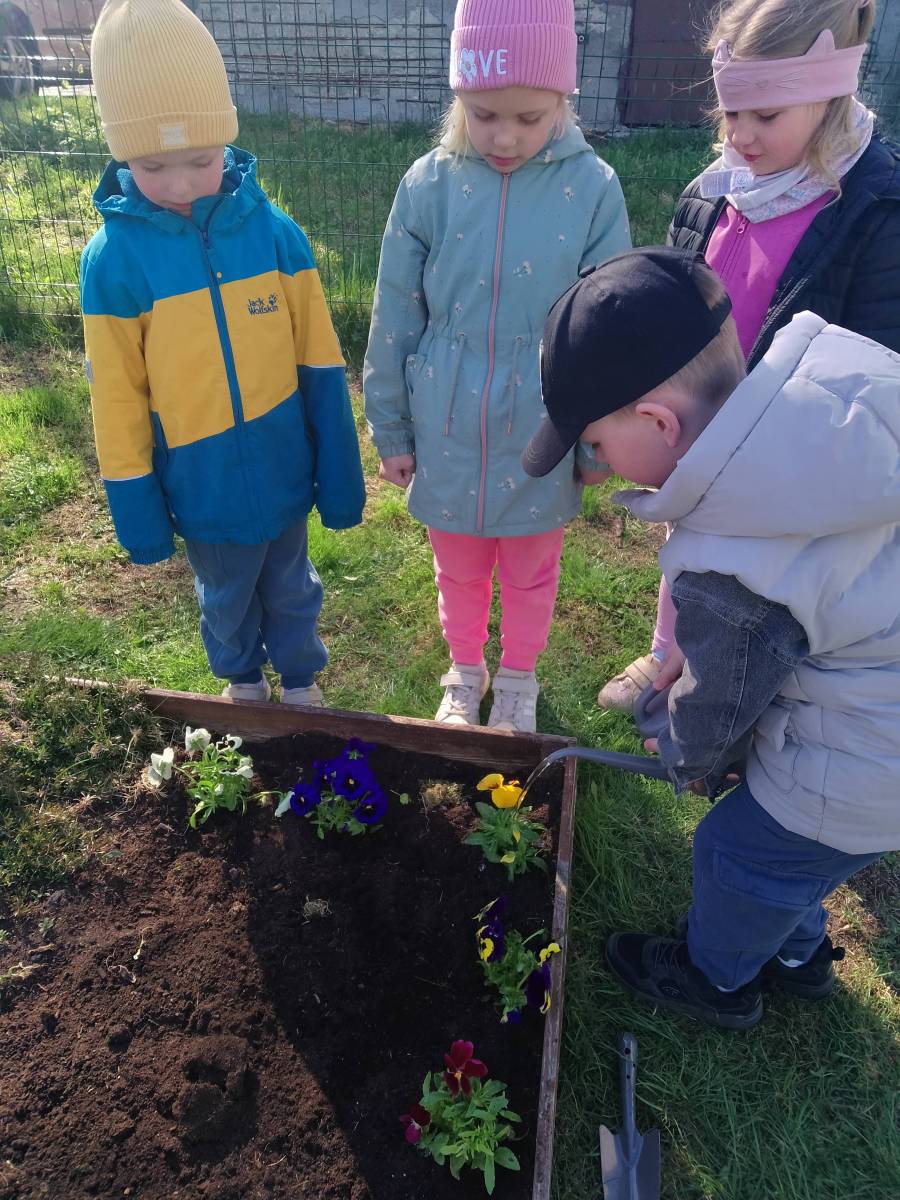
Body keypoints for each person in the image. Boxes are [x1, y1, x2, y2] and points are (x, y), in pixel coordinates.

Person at [523, 245, 900, 1029]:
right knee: (794, 860)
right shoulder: (829, 420)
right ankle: (795, 955)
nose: (595, 467)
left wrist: (687, 755)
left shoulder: (734, 559)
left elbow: (719, 709)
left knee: (741, 850)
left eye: (594, 445)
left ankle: (717, 979)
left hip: (862, 762)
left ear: (659, 422)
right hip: (879, 702)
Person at [598, 0, 900, 714]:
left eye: (766, 116)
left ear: (830, 96)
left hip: (796, 453)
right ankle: (668, 651)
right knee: (689, 544)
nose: (740, 136)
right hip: (708, 429)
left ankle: (735, 693)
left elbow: (878, 368)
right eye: (731, 113)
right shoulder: (718, 192)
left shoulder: (875, 212)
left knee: (755, 582)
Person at [80, 0, 365, 707]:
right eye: (154, 165)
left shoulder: (277, 236)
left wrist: (339, 476)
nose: (180, 185)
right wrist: (138, 512)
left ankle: (300, 682)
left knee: (292, 586)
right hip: (200, 484)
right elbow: (116, 399)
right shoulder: (112, 263)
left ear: (227, 139)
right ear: (120, 152)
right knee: (227, 594)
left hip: (283, 467)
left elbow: (321, 365)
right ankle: (242, 684)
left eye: (201, 160)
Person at [363, 0, 631, 732]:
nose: (504, 136)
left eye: (529, 117)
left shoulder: (594, 188)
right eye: (483, 115)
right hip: (445, 420)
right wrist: (391, 427)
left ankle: (517, 677)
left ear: (563, 101)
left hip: (543, 424)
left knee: (531, 569)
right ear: (459, 97)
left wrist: (596, 443)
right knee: (457, 566)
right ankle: (465, 669)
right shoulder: (427, 184)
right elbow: (395, 313)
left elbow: (604, 330)